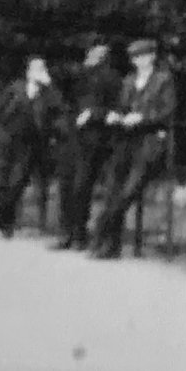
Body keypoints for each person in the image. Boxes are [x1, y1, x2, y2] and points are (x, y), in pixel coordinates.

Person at [89, 37, 176, 260]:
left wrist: (143, 118)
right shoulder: (129, 81)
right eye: (135, 57)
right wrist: (117, 116)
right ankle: (111, 245)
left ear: (152, 57)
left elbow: (167, 111)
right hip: (125, 140)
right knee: (113, 190)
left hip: (149, 141)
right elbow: (122, 106)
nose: (139, 61)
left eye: (143, 56)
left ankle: (100, 233)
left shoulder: (163, 80)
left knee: (127, 193)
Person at [0, 54, 63, 237]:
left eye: (42, 69)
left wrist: (49, 86)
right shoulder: (15, 89)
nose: (40, 72)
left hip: (30, 145)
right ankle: (6, 225)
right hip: (8, 140)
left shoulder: (48, 94)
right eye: (36, 69)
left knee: (17, 183)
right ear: (28, 72)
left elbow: (58, 110)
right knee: (3, 182)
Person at [51, 39, 120, 251]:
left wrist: (92, 113)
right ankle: (66, 232)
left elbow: (115, 107)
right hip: (72, 136)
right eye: (93, 51)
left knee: (81, 185)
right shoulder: (78, 75)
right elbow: (62, 98)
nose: (95, 55)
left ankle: (78, 233)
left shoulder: (112, 78)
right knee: (66, 183)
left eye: (100, 52)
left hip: (93, 138)